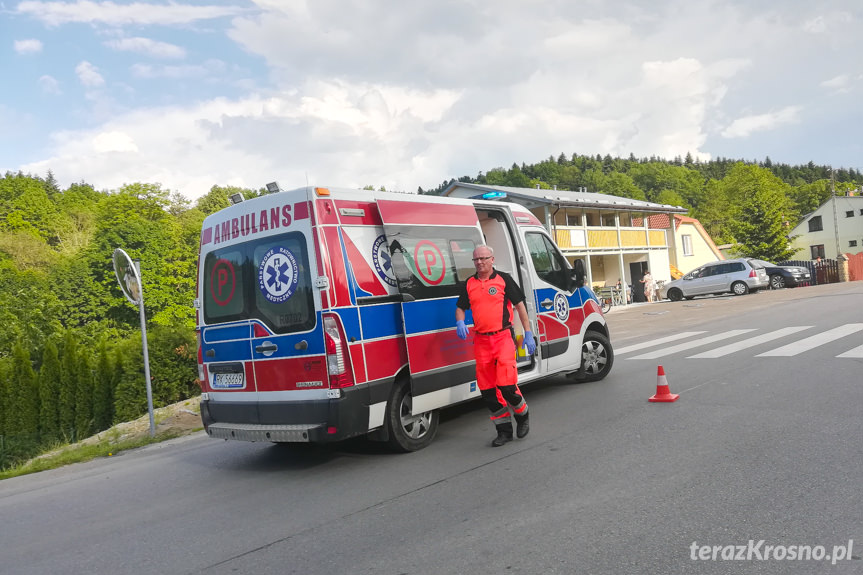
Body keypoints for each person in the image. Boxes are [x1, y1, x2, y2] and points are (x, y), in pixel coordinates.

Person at [455, 245, 536, 447]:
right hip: (481, 341)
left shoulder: (504, 279)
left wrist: (527, 333)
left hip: (502, 338)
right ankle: (504, 431)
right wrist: (460, 321)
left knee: (507, 385)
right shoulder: (469, 283)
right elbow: (460, 307)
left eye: (483, 258)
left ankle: (522, 414)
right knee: (489, 390)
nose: (479, 262)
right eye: (476, 259)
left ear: (492, 259)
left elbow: (519, 306)